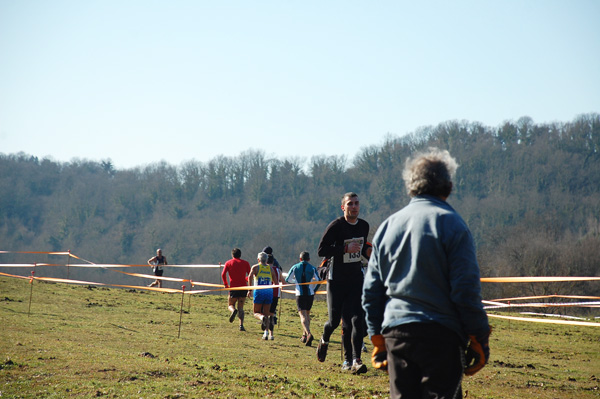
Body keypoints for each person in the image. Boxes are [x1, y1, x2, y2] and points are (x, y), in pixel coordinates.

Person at [362, 148, 491, 399]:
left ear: (411, 185)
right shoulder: (453, 225)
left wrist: (377, 336)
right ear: (449, 186)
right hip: (441, 337)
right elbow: (466, 291)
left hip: (397, 335)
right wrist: (479, 336)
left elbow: (371, 293)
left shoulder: (388, 226)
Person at [316, 192, 371, 374]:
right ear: (343, 207)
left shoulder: (363, 225)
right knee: (334, 322)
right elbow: (322, 250)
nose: (354, 206)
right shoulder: (336, 226)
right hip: (336, 280)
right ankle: (324, 339)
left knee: (356, 320)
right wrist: (344, 249)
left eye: (356, 203)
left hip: (355, 278)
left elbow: (361, 247)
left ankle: (354, 360)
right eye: (350, 204)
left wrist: (369, 253)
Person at [285, 251, 318, 346]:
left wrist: (297, 281)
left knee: (302, 315)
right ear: (309, 259)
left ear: (300, 259)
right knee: (307, 315)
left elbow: (287, 279)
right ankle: (304, 335)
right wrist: (314, 289)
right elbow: (319, 280)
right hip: (310, 294)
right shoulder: (312, 268)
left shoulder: (295, 267)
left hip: (300, 294)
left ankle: (308, 334)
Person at [248, 252, 277, 340]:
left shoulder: (255, 267)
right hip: (269, 292)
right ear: (267, 260)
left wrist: (249, 289)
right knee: (267, 313)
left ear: (258, 260)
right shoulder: (271, 269)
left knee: (256, 313)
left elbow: (249, 277)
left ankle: (261, 318)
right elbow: (275, 282)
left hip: (259, 291)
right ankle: (266, 333)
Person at [221, 248, 251, 331]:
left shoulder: (228, 263)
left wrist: (226, 284)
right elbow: (250, 275)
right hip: (243, 288)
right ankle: (241, 325)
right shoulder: (246, 263)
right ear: (240, 255)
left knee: (230, 305)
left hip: (233, 287)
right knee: (241, 308)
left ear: (232, 255)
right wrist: (245, 279)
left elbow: (223, 274)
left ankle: (233, 311)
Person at [267, 253, 285, 339]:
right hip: (275, 294)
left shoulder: (264, 269)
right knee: (272, 314)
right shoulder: (278, 270)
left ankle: (265, 332)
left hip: (266, 292)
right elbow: (284, 282)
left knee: (265, 314)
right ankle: (271, 334)